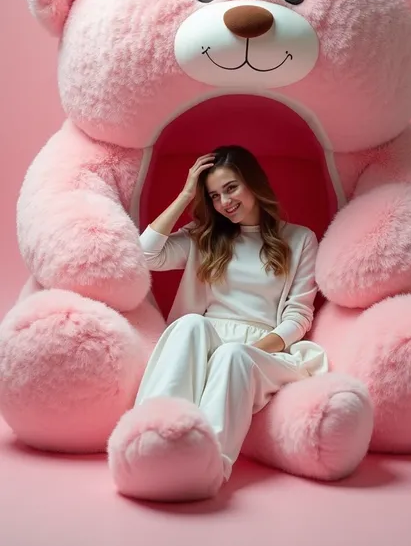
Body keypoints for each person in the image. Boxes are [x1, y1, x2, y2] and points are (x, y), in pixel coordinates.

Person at [126, 145, 328, 500]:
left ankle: (205, 468)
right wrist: (186, 194)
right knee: (191, 324)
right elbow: (144, 254)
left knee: (231, 355)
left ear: (253, 183)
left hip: (264, 350)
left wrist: (252, 348)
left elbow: (298, 316)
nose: (224, 202)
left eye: (231, 188)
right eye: (214, 196)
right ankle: (149, 441)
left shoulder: (298, 239)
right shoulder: (204, 237)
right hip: (206, 338)